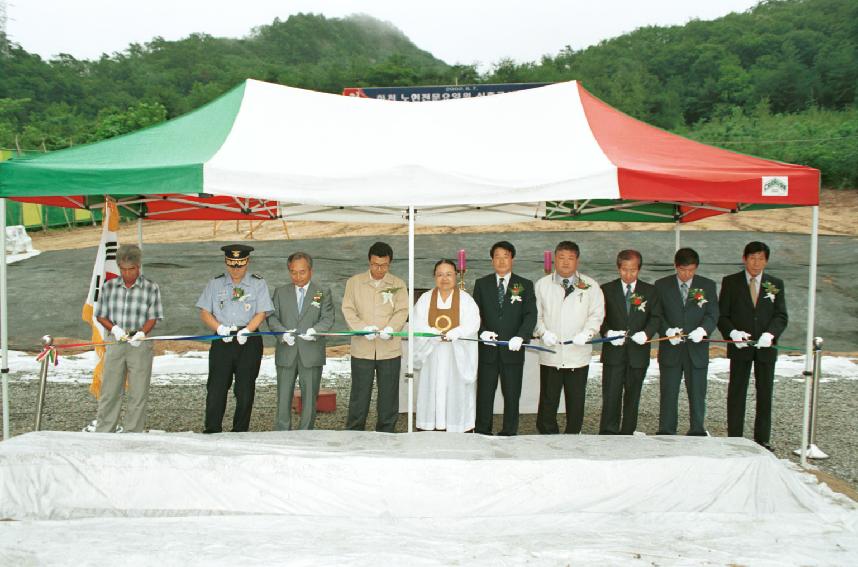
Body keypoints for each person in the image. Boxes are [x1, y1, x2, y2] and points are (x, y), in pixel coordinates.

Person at [718, 241, 788, 450]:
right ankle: (735, 437)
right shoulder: (731, 282)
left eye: (761, 258)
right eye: (752, 258)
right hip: (741, 347)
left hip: (766, 348)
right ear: (744, 259)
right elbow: (722, 315)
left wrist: (771, 333)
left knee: (765, 392)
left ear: (766, 261)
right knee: (737, 391)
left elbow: (781, 315)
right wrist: (732, 333)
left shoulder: (775, 283)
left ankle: (762, 438)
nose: (756, 263)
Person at [196, 244, 274, 433]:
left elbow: (262, 312)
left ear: (247, 263)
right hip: (222, 339)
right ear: (226, 262)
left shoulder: (258, 283)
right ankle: (212, 428)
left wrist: (248, 330)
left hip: (248, 339)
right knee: (216, 388)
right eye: (232, 265)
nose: (236, 269)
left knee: (245, 390)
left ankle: (240, 430)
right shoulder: (215, 284)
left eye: (239, 265)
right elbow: (205, 312)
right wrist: (219, 328)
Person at [534, 241, 604, 434]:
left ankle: (573, 434)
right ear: (554, 259)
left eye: (570, 258)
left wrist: (588, 333)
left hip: (577, 353)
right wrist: (543, 332)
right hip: (551, 352)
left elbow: (596, 315)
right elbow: (535, 315)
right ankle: (548, 435)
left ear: (577, 261)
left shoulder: (590, 286)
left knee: (576, 399)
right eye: (561, 258)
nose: (565, 263)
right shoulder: (542, 285)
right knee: (549, 398)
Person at [94, 244, 164, 433]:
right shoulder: (109, 287)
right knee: (110, 390)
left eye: (131, 269)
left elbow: (153, 316)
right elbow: (100, 314)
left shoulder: (151, 287)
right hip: (115, 342)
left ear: (138, 266)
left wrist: (142, 333)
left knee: (138, 392)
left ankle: (133, 432)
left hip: (139, 344)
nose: (127, 274)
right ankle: (104, 430)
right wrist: (115, 329)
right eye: (123, 269)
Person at [342, 241, 409, 432]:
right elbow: (348, 309)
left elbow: (402, 310)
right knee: (359, 394)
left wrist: (391, 328)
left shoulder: (397, 284)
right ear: (369, 261)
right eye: (375, 264)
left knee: (388, 395)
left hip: (389, 350)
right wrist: (363, 328)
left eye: (384, 265)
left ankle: (386, 433)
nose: (379, 269)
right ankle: (355, 431)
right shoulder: (354, 283)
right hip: (362, 347)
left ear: (390, 263)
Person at [472, 241, 537, 436]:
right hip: (488, 351)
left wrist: (521, 336)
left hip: (513, 350)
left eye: (505, 256)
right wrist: (481, 331)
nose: (501, 261)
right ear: (492, 260)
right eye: (497, 257)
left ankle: (509, 432)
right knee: (484, 394)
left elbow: (530, 315)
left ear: (512, 259)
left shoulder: (524, 284)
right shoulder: (482, 284)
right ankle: (483, 430)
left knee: (511, 395)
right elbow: (475, 314)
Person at [654, 247, 719, 436]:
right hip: (671, 348)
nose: (686, 274)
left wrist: (703, 330)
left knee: (698, 393)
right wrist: (667, 330)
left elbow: (713, 313)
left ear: (696, 268)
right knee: (668, 392)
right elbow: (657, 314)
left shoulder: (707, 285)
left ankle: (697, 429)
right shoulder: (661, 285)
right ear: (675, 266)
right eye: (682, 270)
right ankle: (666, 430)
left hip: (696, 348)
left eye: (691, 270)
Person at [267, 252, 335, 431]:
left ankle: (306, 433)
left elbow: (327, 318)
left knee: (310, 397)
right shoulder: (280, 292)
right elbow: (272, 318)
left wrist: (315, 331)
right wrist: (282, 334)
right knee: (283, 396)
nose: (297, 277)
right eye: (293, 272)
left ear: (311, 271)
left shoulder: (322, 292)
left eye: (302, 272)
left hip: (311, 352)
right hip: (286, 351)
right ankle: (282, 432)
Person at [412, 260, 481, 432]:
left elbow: (474, 323)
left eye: (448, 274)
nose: (444, 278)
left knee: (456, 390)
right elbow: (417, 322)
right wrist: (431, 333)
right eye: (440, 274)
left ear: (456, 276)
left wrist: (457, 332)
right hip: (432, 353)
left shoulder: (466, 300)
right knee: (431, 387)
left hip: (456, 355)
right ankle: (430, 424)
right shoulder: (426, 299)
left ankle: (458, 424)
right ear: (434, 277)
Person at [599, 249, 661, 435]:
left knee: (633, 396)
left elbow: (656, 317)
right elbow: (599, 317)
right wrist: (608, 332)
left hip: (637, 354)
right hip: (614, 353)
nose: (628, 274)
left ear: (639, 270)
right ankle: (608, 433)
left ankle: (628, 433)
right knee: (611, 395)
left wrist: (647, 334)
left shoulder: (650, 291)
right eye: (624, 270)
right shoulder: (606, 290)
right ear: (618, 268)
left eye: (632, 270)